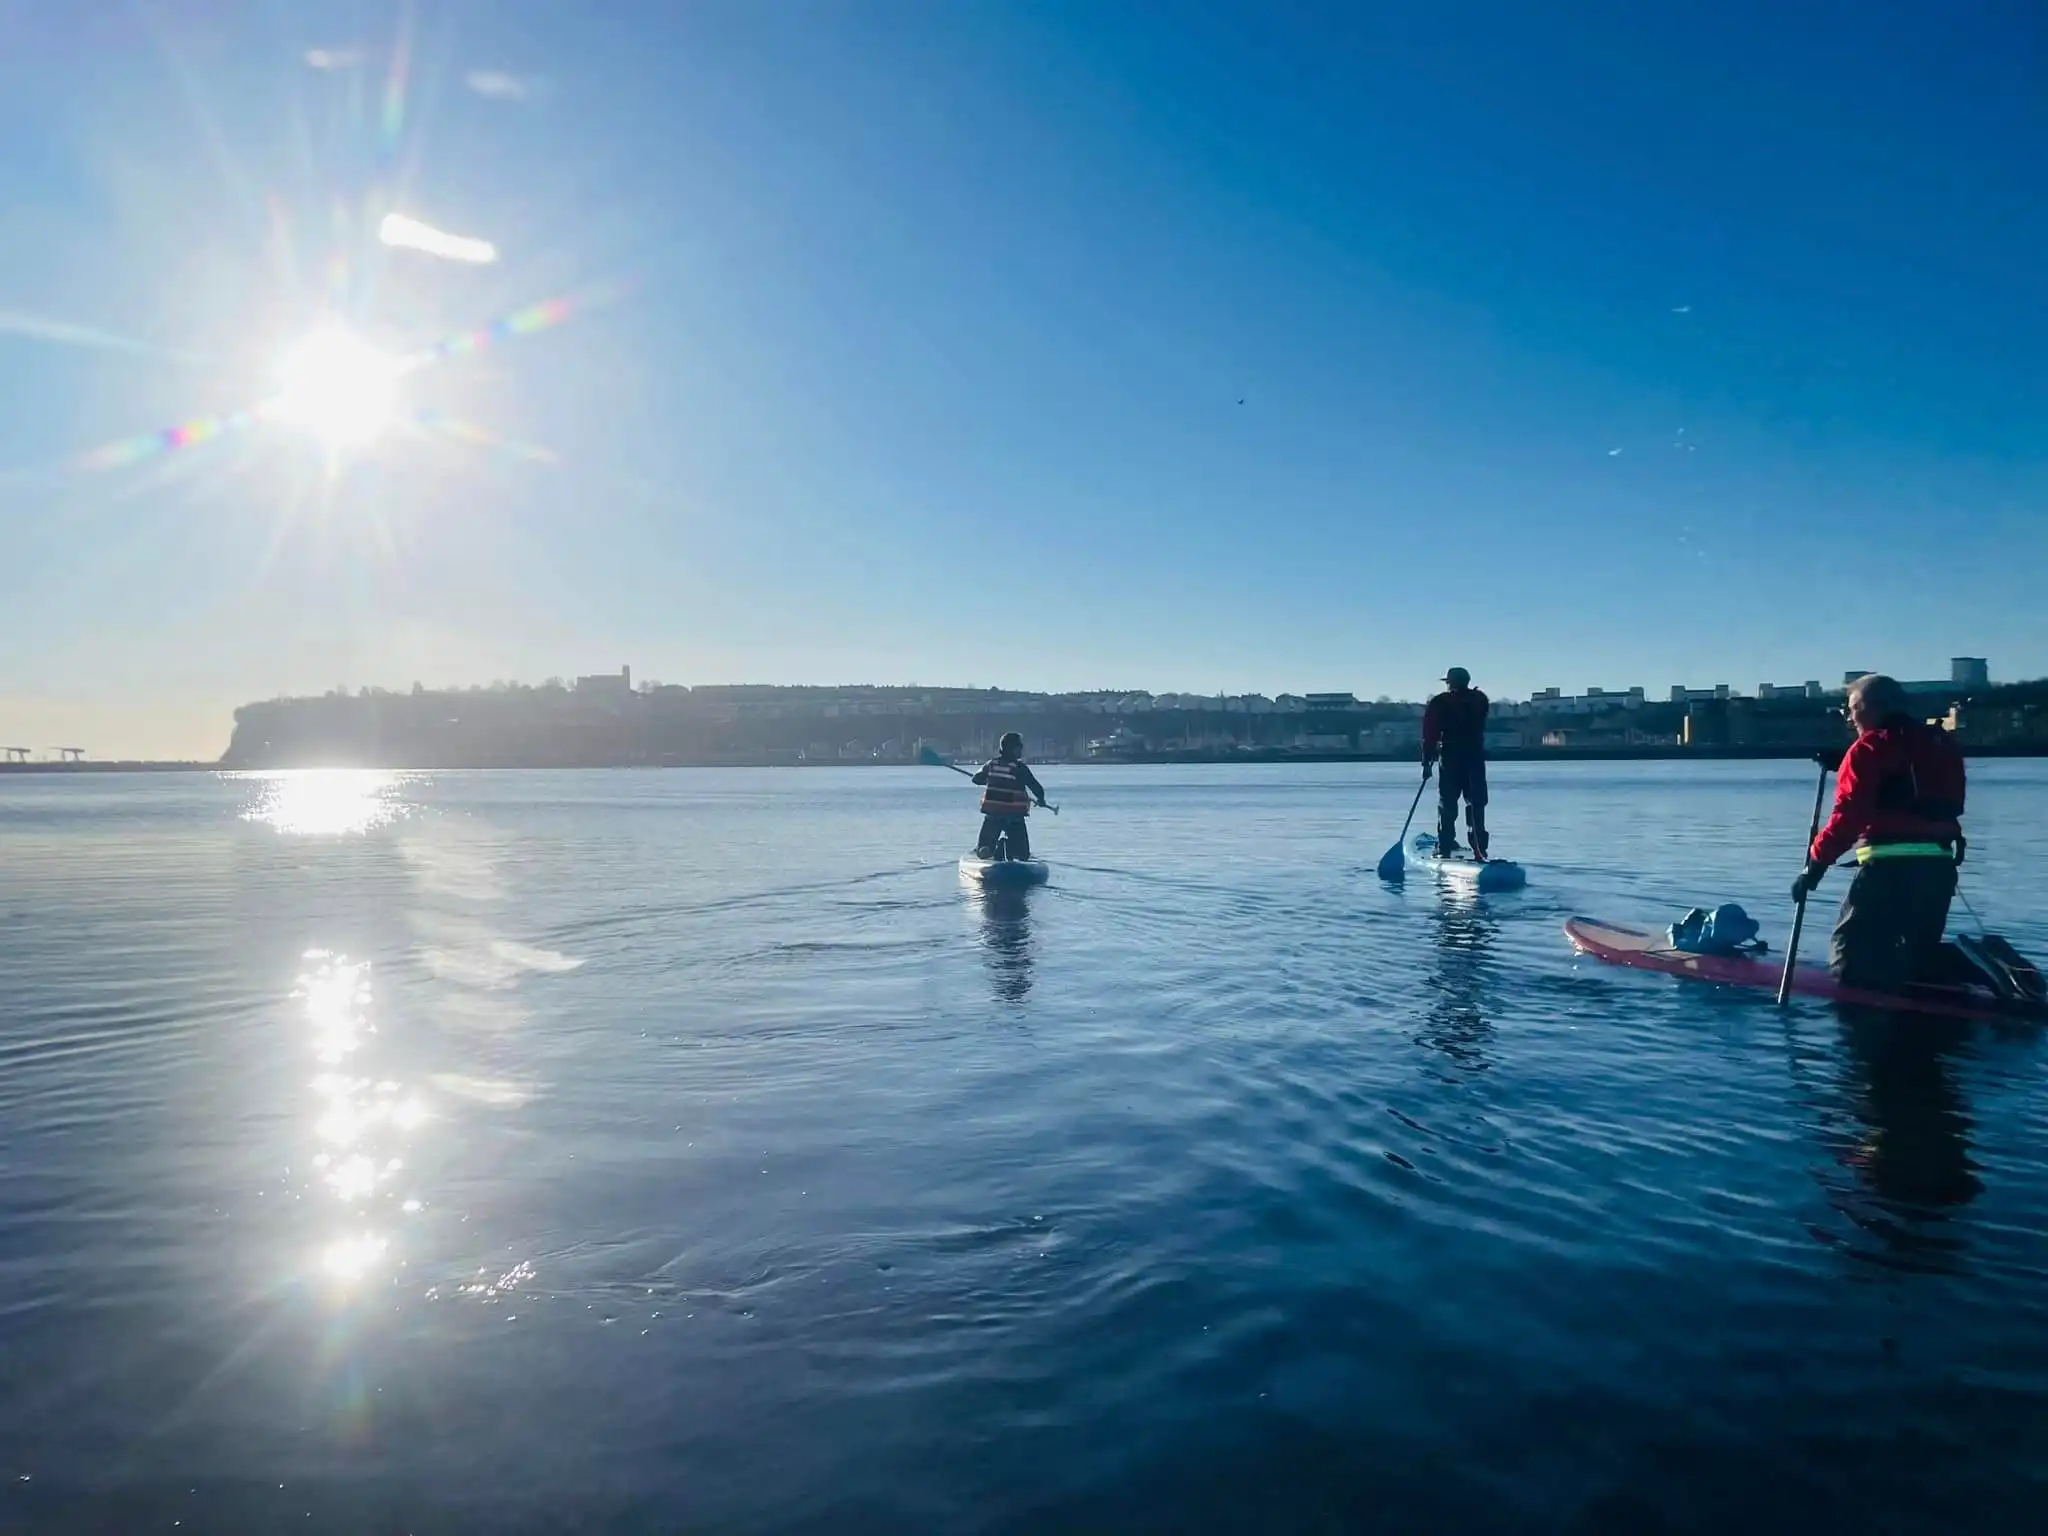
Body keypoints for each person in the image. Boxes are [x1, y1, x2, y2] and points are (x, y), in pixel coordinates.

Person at [1793, 673, 1965, 993]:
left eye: (1852, 708)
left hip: (1889, 871)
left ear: (1870, 707)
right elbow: (1906, 779)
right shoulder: (1940, 743)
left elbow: (1848, 817)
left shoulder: (1867, 750)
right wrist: (1847, 759)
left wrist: (1814, 868)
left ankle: (1861, 1029)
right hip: (1940, 868)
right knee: (1915, 957)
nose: (1850, 717)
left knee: (1850, 958)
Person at [1422, 666, 1490, 860]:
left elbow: (1430, 733)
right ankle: (1479, 849)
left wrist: (1427, 762)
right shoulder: (1480, 699)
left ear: (1450, 682)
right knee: (1476, 803)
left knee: (1447, 803)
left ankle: (1444, 848)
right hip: (1475, 756)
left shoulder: (1439, 702)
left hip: (1451, 757)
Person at [971, 732, 1049, 860]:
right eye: (1020, 747)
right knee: (1023, 855)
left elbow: (976, 779)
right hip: (1015, 816)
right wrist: (1041, 800)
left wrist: (989, 780)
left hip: (993, 814)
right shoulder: (1020, 768)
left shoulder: (991, 764)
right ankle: (1010, 849)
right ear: (1014, 749)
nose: (1022, 750)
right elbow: (1037, 788)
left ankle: (987, 849)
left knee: (984, 846)